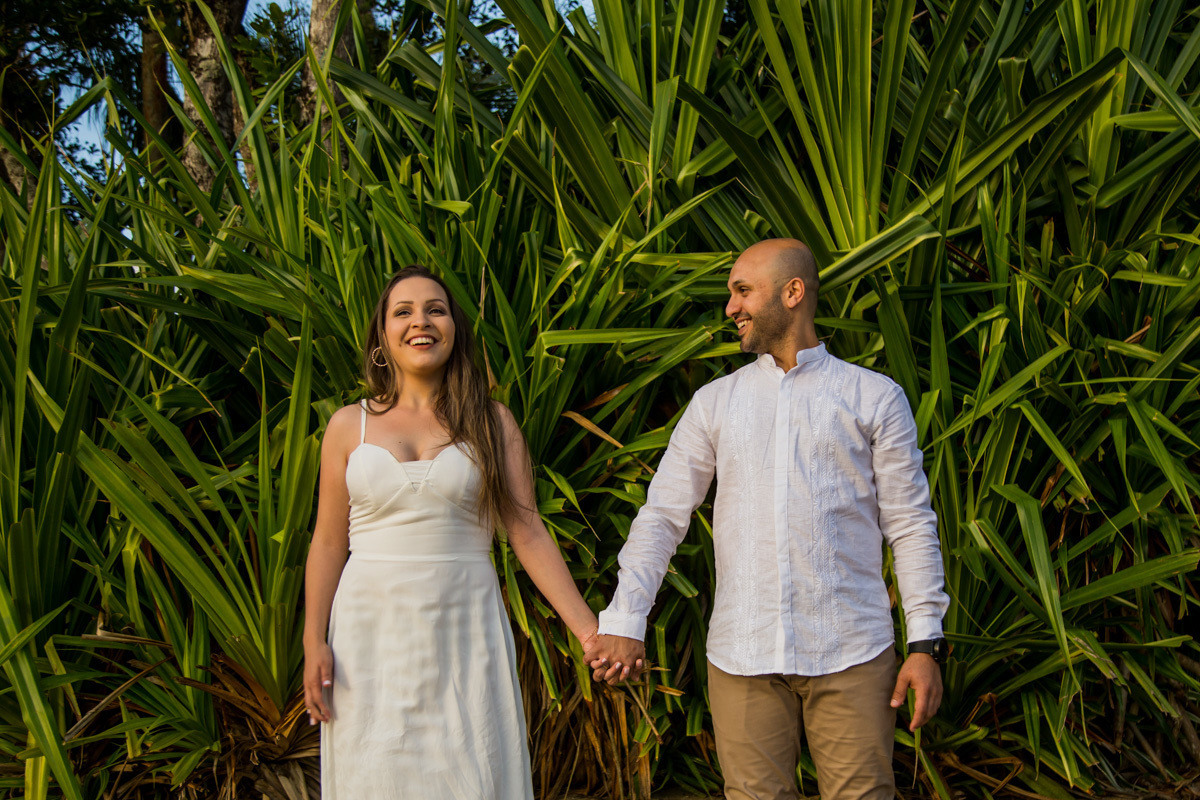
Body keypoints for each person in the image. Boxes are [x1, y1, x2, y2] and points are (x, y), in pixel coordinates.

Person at [588, 239, 950, 800]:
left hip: (851, 651)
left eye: (742, 290)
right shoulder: (714, 403)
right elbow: (662, 515)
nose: (730, 307)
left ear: (793, 292)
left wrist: (924, 646)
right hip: (742, 656)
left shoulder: (874, 398)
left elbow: (910, 523)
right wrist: (625, 618)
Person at [303, 265, 601, 799]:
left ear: (455, 328)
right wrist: (312, 641)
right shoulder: (349, 426)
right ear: (382, 337)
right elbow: (328, 541)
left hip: (465, 627)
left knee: (470, 769)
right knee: (376, 771)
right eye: (404, 311)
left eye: (435, 309)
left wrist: (587, 631)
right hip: (368, 634)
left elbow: (526, 530)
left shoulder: (493, 422)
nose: (422, 321)